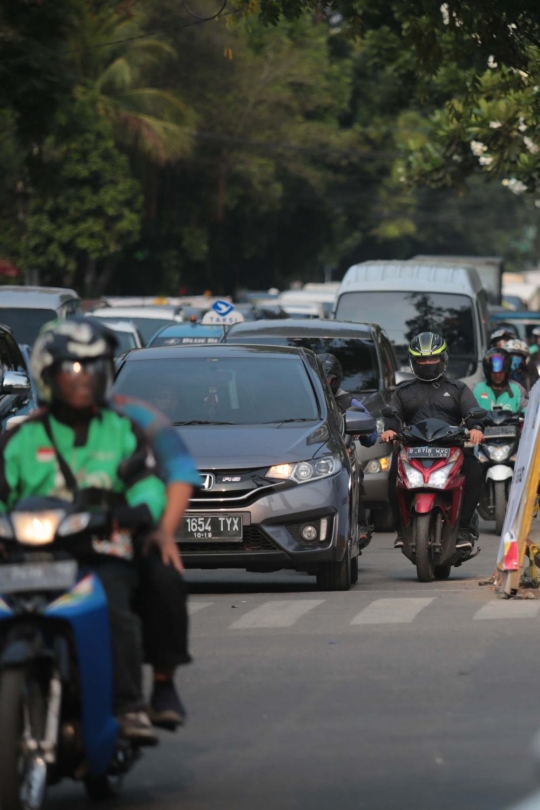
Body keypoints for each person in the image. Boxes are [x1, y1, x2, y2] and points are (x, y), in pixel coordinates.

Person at [0, 318, 166, 743]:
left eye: (92, 370)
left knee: (114, 607)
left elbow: (148, 483)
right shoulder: (20, 437)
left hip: (98, 550)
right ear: (48, 376)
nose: (83, 381)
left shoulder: (122, 430)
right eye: (72, 371)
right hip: (24, 553)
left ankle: (128, 708)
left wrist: (135, 511)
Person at [380, 332, 486, 551]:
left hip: (451, 449)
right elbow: (393, 415)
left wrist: (475, 428)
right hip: (413, 451)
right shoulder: (403, 391)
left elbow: (473, 412)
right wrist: (390, 430)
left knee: (475, 471)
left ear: (443, 358)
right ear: (413, 361)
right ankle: (401, 529)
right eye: (421, 359)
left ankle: (464, 529)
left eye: (432, 358)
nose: (427, 363)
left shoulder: (458, 389)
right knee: (393, 477)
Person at [319, 352, 377, 543]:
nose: (323, 385)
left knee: (355, 475)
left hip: (342, 458)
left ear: (335, 380)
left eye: (326, 380)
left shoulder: (348, 402)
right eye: (318, 380)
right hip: (311, 462)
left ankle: (360, 524)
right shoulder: (302, 403)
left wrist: (362, 431)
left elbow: (371, 436)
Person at [473, 348, 527, 412]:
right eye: (494, 372)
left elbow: (527, 409)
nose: (497, 376)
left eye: (501, 372)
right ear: (488, 371)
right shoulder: (477, 389)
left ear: (506, 371)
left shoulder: (517, 390)